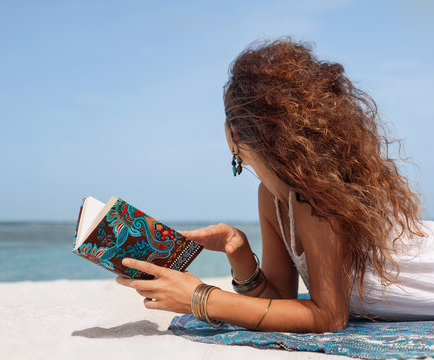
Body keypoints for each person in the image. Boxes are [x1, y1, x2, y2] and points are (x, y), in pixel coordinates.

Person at [115, 39, 434, 333]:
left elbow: (329, 316)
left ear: (235, 136)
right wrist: (241, 256)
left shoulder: (317, 199)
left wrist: (201, 298)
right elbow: (281, 302)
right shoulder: (272, 197)